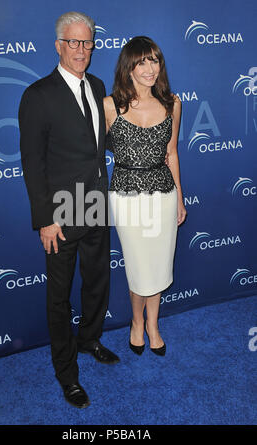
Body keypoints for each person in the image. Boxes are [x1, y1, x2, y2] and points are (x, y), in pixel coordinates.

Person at [18, 11, 119, 409]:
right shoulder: (38, 95)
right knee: (59, 297)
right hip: (60, 210)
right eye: (73, 42)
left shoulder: (96, 86)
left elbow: (102, 143)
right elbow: (32, 162)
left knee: (97, 279)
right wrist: (45, 218)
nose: (81, 50)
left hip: (95, 201)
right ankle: (66, 373)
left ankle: (90, 339)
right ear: (59, 45)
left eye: (87, 42)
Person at [104, 36, 186, 357]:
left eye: (155, 61)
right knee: (139, 267)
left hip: (163, 194)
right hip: (126, 197)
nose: (150, 69)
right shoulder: (109, 105)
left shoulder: (172, 103)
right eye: (142, 62)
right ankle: (136, 322)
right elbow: (91, 152)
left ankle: (153, 324)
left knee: (159, 265)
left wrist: (179, 199)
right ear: (129, 67)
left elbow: (173, 153)